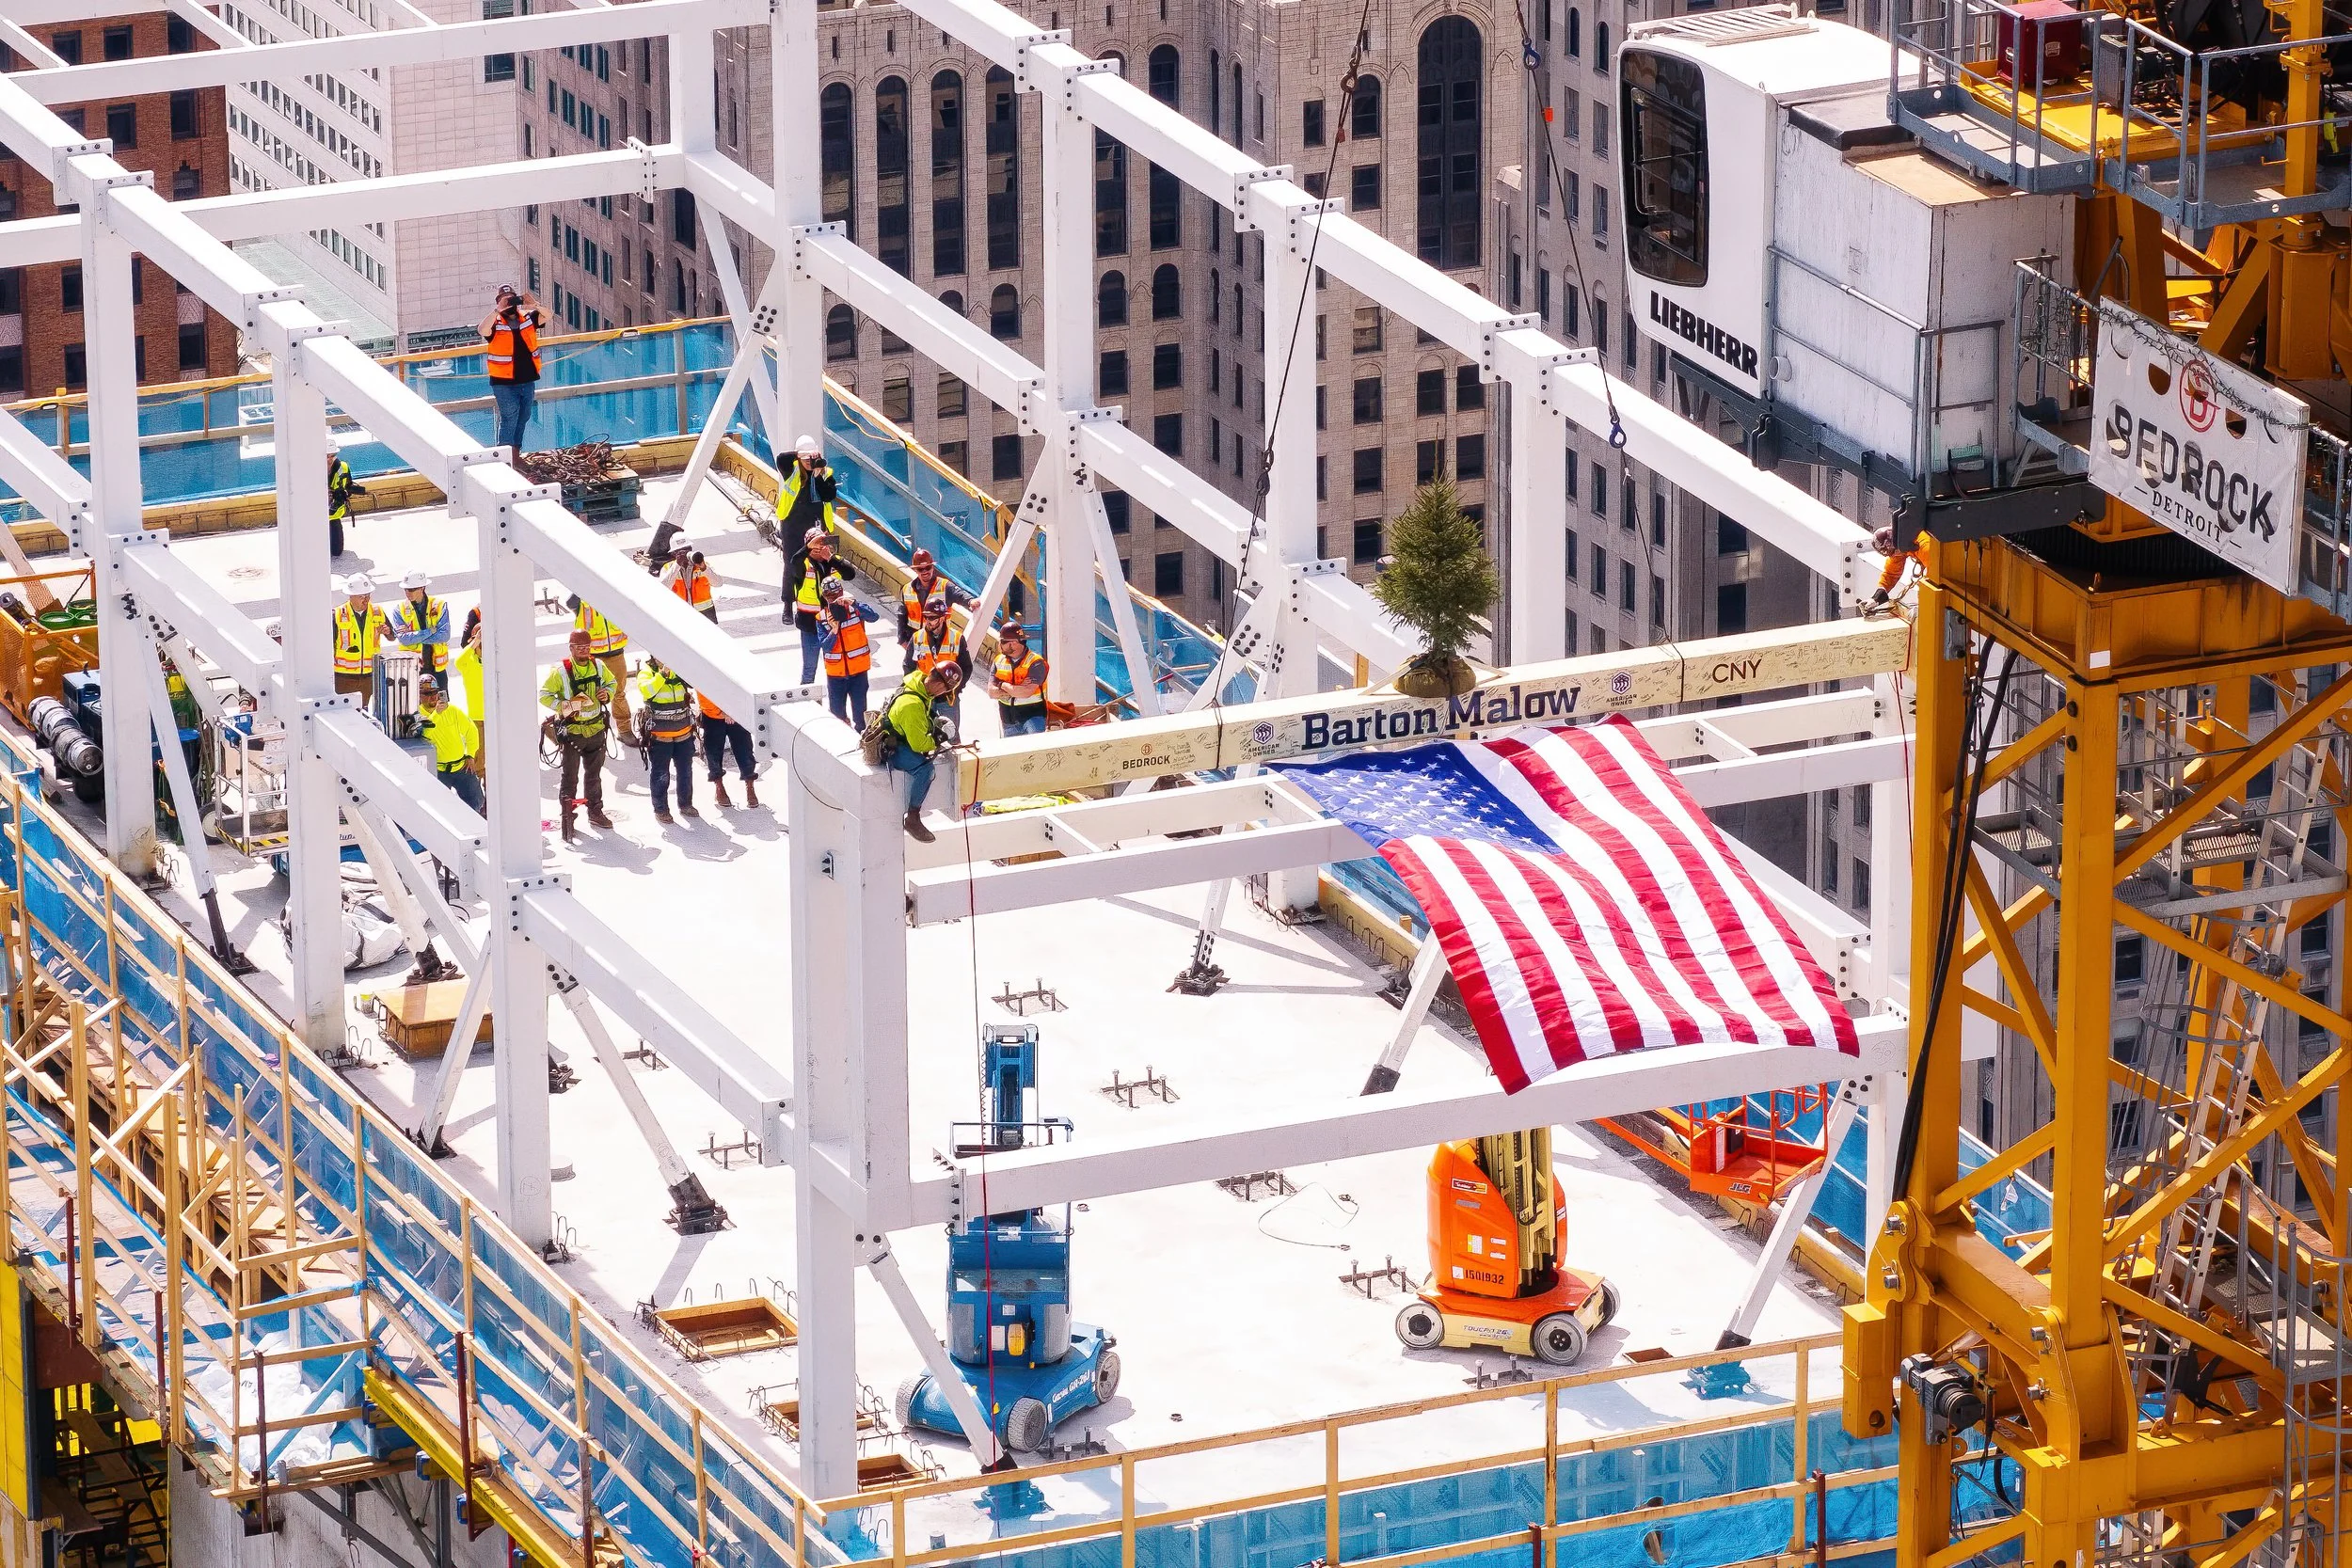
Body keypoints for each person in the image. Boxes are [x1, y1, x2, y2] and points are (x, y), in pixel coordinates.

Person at [541, 628, 616, 841]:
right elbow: (544, 695)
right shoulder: (561, 672)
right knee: (569, 778)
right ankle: (568, 818)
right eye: (579, 647)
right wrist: (564, 707)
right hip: (573, 733)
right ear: (571, 648)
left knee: (594, 776)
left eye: (586, 647)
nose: (584, 651)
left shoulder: (598, 666)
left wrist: (606, 693)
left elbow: (612, 683)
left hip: (595, 730)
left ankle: (595, 812)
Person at [881, 664, 959, 842]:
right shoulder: (912, 704)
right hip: (895, 749)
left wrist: (934, 721)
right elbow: (919, 745)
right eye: (945, 691)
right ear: (940, 686)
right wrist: (940, 738)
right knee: (925, 770)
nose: (941, 695)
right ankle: (913, 817)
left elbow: (922, 717)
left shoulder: (918, 686)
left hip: (900, 739)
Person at [481, 284, 544, 454]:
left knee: (524, 417)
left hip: (527, 379)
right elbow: (481, 329)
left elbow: (548, 315)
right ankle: (504, 455)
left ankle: (515, 452)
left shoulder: (527, 318)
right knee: (509, 418)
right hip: (504, 382)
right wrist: (497, 310)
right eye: (505, 300)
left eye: (512, 299)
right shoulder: (496, 322)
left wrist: (534, 304)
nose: (510, 304)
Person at [636, 656, 700, 824]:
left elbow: (696, 681)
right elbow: (647, 691)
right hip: (660, 735)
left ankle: (685, 804)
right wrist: (663, 674)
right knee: (660, 773)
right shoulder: (646, 673)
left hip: (684, 732)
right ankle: (661, 809)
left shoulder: (680, 670)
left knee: (685, 771)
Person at [784, 527, 851, 684]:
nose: (819, 548)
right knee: (809, 669)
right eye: (816, 545)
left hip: (832, 623)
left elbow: (850, 574)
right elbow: (794, 561)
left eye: (822, 544)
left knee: (837, 667)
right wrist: (808, 547)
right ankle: (808, 700)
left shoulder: (832, 561)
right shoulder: (802, 565)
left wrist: (831, 558)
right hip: (810, 625)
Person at [818, 576, 881, 727]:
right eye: (830, 596)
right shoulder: (822, 618)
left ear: (842, 592)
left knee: (861, 717)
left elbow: (874, 617)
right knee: (837, 718)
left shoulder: (855, 610)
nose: (834, 599)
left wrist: (855, 603)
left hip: (858, 673)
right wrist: (834, 629)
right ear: (824, 596)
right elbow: (825, 647)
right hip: (836, 676)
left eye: (837, 595)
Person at [416, 675, 485, 813]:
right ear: (419, 696)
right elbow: (425, 735)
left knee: (476, 802)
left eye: (435, 693)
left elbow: (471, 731)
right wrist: (437, 714)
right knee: (439, 809)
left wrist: (470, 755)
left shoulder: (452, 710)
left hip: (461, 767)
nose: (432, 697)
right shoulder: (418, 714)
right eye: (427, 694)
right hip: (438, 770)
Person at [570, 596, 634, 740]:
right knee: (590, 695)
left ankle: (624, 731)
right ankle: (589, 733)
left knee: (618, 693)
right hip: (592, 656)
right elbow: (570, 602)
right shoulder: (583, 601)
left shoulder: (614, 596)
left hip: (616, 653)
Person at [897, 547, 969, 658]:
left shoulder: (945, 586)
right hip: (917, 643)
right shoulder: (907, 589)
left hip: (939, 641)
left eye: (928, 567)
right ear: (915, 570)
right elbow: (901, 617)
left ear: (933, 567)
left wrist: (971, 601)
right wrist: (902, 640)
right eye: (921, 569)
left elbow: (960, 595)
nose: (925, 571)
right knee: (916, 674)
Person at [331, 573, 389, 699]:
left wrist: (387, 631)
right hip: (344, 678)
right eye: (362, 597)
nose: (366, 600)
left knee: (366, 715)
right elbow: (328, 648)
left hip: (369, 676)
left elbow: (392, 637)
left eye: (368, 596)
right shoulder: (337, 615)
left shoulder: (377, 611)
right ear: (351, 596)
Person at [985, 623, 1050, 736]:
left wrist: (1002, 685)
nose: (999, 645)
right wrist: (1016, 688)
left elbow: (1025, 692)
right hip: (1008, 720)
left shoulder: (1036, 662)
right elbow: (991, 692)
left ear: (1013, 643)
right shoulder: (998, 660)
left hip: (1033, 719)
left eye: (1002, 641)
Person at [698, 689, 758, 808]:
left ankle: (750, 785)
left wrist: (734, 712)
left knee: (745, 750)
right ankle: (719, 786)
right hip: (712, 716)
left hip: (737, 715)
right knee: (713, 752)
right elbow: (702, 690)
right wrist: (721, 713)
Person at [775, 434, 838, 542]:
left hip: (816, 525)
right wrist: (800, 453)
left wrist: (818, 477)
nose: (809, 463)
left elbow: (828, 496)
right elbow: (781, 459)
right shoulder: (792, 471)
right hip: (793, 527)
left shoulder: (825, 473)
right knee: (794, 558)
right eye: (806, 460)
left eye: (811, 460)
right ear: (799, 459)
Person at [389, 570, 451, 678]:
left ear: (422, 588)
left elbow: (444, 635)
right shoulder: (399, 610)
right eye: (406, 590)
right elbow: (404, 640)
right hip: (412, 669)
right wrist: (429, 632)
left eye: (411, 590)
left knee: (441, 695)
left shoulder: (439, 605)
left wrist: (414, 635)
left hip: (436, 669)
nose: (408, 593)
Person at [454, 608, 486, 782]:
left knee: (496, 759)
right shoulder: (468, 662)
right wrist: (475, 642)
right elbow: (458, 661)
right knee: (479, 761)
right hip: (477, 719)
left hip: (495, 718)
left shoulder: (494, 661)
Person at [907, 601, 971, 686]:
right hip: (924, 689)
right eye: (926, 617)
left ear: (942, 618)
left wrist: (956, 689)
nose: (928, 621)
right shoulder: (917, 637)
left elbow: (966, 668)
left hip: (946, 691)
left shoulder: (957, 638)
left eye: (932, 618)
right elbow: (908, 665)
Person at [327, 449, 365, 561]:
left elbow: (348, 484)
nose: (329, 459)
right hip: (314, 515)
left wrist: (356, 491)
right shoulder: (309, 468)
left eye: (332, 455)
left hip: (334, 513)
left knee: (336, 552)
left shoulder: (343, 467)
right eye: (326, 456)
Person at [666, 543, 718, 623]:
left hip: (705, 612)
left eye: (688, 549)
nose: (686, 553)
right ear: (674, 553)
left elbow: (718, 583)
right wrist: (677, 565)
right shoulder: (668, 567)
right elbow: (662, 587)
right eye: (681, 551)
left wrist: (704, 568)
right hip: (681, 614)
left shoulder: (702, 565)